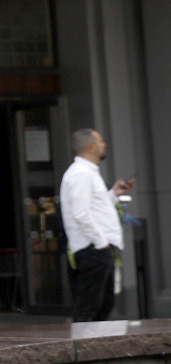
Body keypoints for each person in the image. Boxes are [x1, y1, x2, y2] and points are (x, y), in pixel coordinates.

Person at [60, 129, 134, 323]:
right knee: (90, 308)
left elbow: (93, 209)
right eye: (100, 142)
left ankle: (92, 349)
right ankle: (83, 350)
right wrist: (102, 243)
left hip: (96, 248)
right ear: (90, 147)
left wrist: (112, 194)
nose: (104, 145)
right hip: (92, 249)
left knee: (103, 305)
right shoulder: (81, 174)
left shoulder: (88, 173)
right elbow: (81, 214)